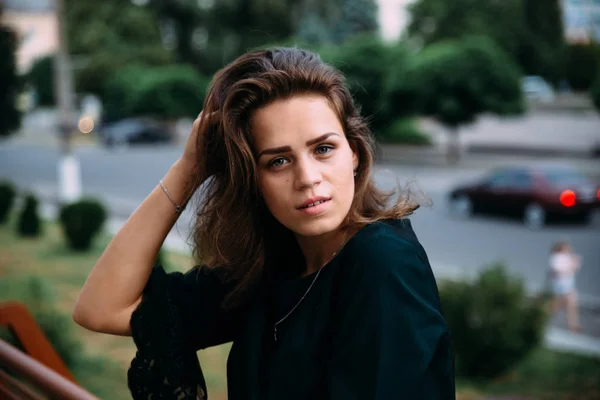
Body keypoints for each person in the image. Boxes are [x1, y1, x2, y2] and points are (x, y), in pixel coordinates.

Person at [73, 48, 455, 399]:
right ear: (252, 180)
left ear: (353, 153)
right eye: (278, 161)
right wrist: (188, 170)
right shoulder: (274, 265)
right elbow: (101, 308)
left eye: (323, 149)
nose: (307, 178)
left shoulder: (382, 263)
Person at [548, 241, 582, 332]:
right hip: (560, 285)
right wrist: (569, 268)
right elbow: (557, 270)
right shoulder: (556, 257)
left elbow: (574, 269)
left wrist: (575, 261)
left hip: (568, 285)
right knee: (563, 305)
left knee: (568, 305)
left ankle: (573, 325)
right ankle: (572, 325)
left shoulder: (567, 257)